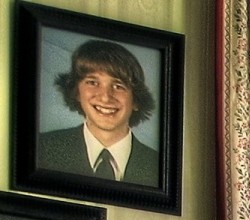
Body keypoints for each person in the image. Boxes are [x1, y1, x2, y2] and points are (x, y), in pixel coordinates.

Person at [38, 39, 160, 187]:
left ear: (136, 100)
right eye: (93, 83)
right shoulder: (43, 149)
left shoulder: (158, 166)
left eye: (118, 86)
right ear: (76, 92)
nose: (105, 97)